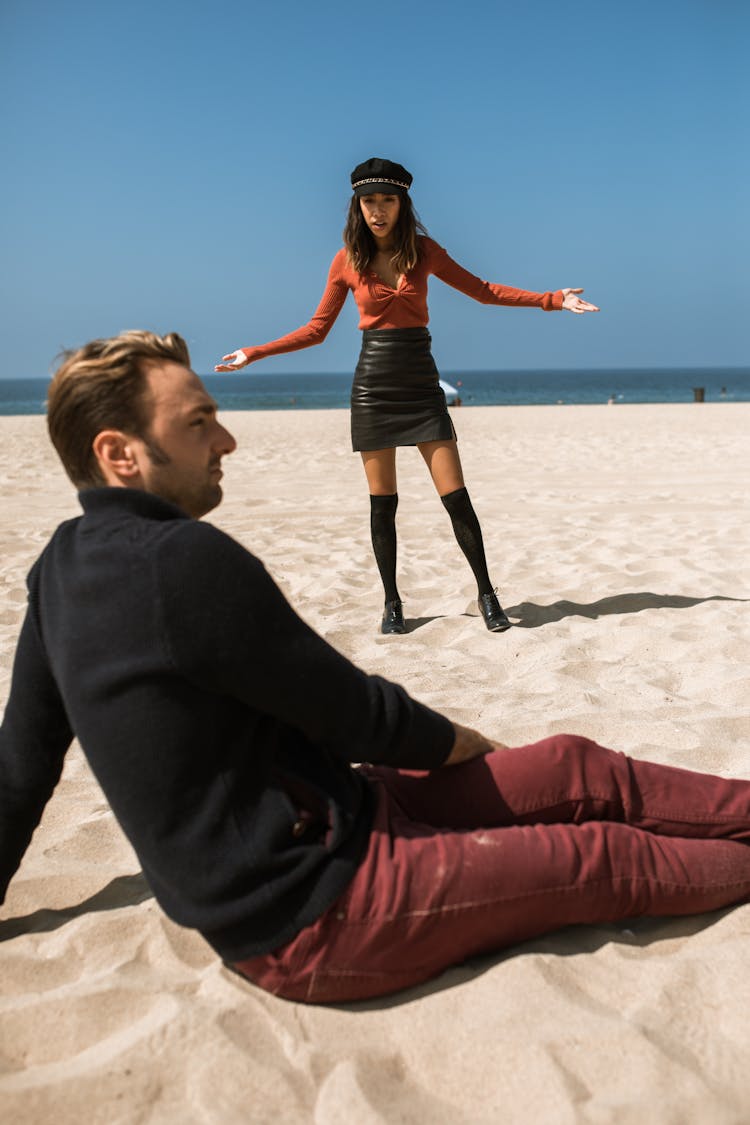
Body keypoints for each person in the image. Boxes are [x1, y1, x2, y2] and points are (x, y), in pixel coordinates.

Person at [2, 329, 750, 1008]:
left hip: (347, 809)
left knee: (572, 765)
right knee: (602, 857)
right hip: (314, 911)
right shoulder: (183, 562)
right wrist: (467, 748)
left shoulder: (59, 567)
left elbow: (19, 769)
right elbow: (355, 713)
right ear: (119, 453)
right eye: (198, 423)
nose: (226, 438)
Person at [216, 157, 599, 635]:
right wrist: (254, 352)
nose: (378, 210)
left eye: (388, 200)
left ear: (402, 204)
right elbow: (316, 330)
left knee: (456, 497)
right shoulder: (346, 260)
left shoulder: (424, 251)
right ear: (358, 205)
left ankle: (487, 594)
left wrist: (551, 299)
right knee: (383, 504)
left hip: (420, 380)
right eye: (369, 201)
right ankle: (392, 603)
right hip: (373, 386)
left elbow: (481, 291)